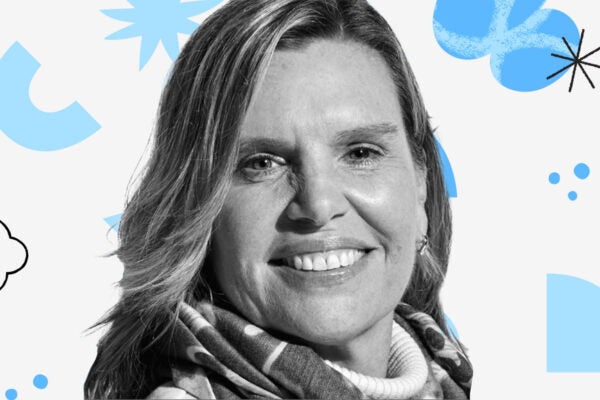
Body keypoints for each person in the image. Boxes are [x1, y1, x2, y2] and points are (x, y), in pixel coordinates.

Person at [85, 0, 473, 398]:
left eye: (361, 153)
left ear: (421, 183)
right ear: (197, 207)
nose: (319, 205)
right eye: (261, 163)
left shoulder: (443, 379)